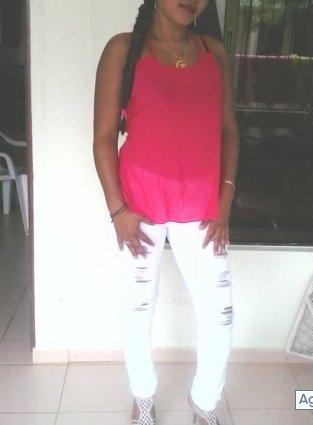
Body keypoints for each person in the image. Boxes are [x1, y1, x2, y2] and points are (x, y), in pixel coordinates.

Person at [92, 0, 240, 424]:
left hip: (204, 207)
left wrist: (225, 199)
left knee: (220, 315)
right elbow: (103, 136)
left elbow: (229, 130)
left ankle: (205, 405)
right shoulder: (123, 49)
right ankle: (143, 397)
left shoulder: (214, 52)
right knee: (138, 309)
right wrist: (118, 209)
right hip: (138, 207)